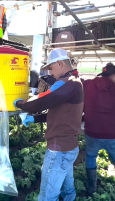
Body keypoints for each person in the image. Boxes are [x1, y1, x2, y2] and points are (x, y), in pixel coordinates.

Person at [14, 48, 84, 201]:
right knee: (67, 187)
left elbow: (38, 104)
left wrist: (20, 104)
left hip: (59, 149)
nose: (51, 73)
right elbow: (59, 113)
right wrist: (35, 119)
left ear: (59, 63)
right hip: (70, 146)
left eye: (51, 68)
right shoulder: (74, 83)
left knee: (47, 195)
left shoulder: (69, 85)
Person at [83, 63, 115, 201]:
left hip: (92, 133)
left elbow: (79, 83)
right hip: (113, 136)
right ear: (114, 76)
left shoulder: (88, 85)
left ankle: (91, 189)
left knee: (90, 156)